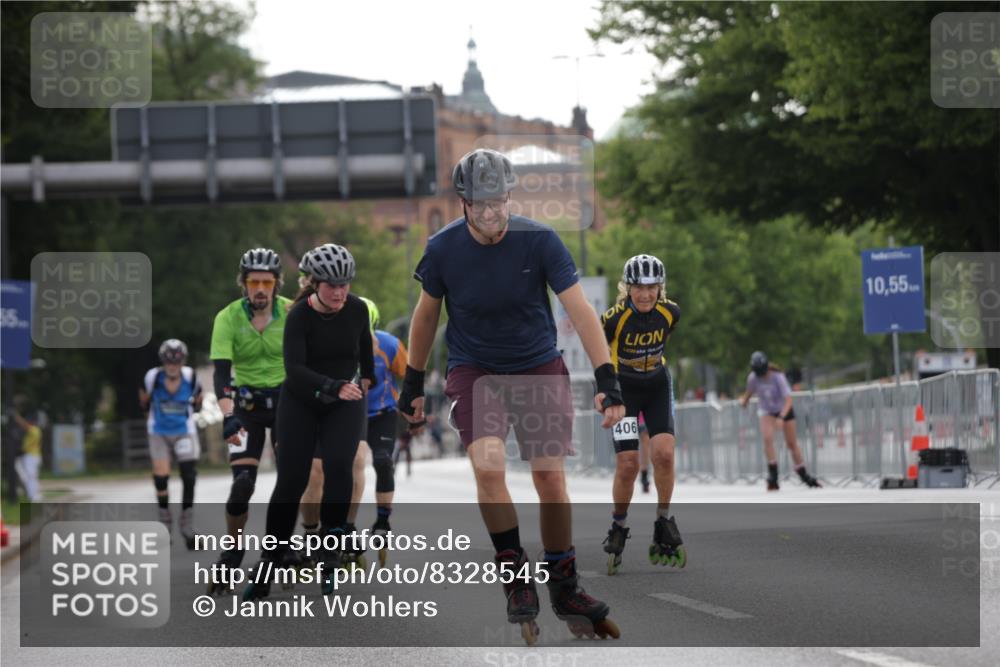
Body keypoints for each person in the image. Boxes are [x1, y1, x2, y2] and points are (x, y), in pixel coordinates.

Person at [398, 148, 625, 643]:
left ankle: (565, 585)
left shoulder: (540, 241)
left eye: (498, 202)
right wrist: (413, 383)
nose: (491, 214)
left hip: (537, 365)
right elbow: (426, 316)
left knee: (548, 477)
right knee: (490, 466)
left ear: (509, 197)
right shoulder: (442, 250)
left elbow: (580, 310)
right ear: (463, 203)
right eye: (480, 205)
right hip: (474, 370)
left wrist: (608, 379)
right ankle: (516, 578)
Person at [243, 243, 374, 600]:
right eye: (332, 285)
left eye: (345, 284)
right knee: (292, 480)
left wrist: (365, 383)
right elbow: (295, 370)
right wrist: (333, 386)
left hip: (344, 401)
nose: (340, 292)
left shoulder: (358, 309)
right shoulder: (299, 315)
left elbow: (365, 352)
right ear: (315, 284)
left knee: (337, 465)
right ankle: (269, 563)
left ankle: (330, 548)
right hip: (301, 400)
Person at [207, 248, 292, 592]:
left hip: (287, 403)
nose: (260, 288)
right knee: (242, 484)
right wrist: (227, 415)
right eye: (253, 281)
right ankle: (234, 547)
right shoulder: (227, 317)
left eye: (266, 282)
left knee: (290, 482)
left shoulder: (291, 312)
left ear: (276, 284)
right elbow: (221, 373)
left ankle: (280, 547)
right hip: (247, 407)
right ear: (243, 284)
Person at [599, 254, 685, 574]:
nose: (646, 294)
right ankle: (618, 525)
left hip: (658, 386)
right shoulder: (613, 319)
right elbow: (600, 355)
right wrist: (605, 391)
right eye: (638, 287)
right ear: (627, 288)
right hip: (625, 393)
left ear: (660, 288)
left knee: (664, 454)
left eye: (652, 287)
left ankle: (663, 520)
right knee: (628, 464)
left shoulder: (671, 312)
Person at [343, 296, 409, 568]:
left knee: (383, 461)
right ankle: (344, 528)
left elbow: (410, 374)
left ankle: (383, 519)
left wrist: (412, 409)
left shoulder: (390, 345)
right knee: (349, 467)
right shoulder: (339, 345)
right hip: (350, 413)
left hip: (382, 412)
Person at [139, 339, 203, 549]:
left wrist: (190, 409)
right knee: (161, 477)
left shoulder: (190, 376)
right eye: (169, 362)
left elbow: (199, 401)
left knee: (189, 475)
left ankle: (187, 524)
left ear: (182, 361)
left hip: (184, 430)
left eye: (176, 362)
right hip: (158, 431)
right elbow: (144, 400)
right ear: (163, 362)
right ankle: (165, 521)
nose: (173, 366)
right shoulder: (152, 377)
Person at [739, 351, 821, 491]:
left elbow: (788, 400)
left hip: (784, 409)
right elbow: (749, 392)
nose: (762, 376)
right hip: (767, 411)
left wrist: (782, 417)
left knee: (791, 443)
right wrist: (744, 401)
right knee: (767, 438)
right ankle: (773, 474)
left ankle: (803, 474)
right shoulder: (753, 378)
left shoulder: (778, 377)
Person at [12, 410, 42, 502]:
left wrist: (15, 416)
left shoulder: (35, 430)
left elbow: (25, 425)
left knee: (31, 477)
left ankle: (34, 496)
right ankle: (32, 494)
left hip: (31, 456)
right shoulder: (33, 430)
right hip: (28, 456)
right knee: (27, 476)